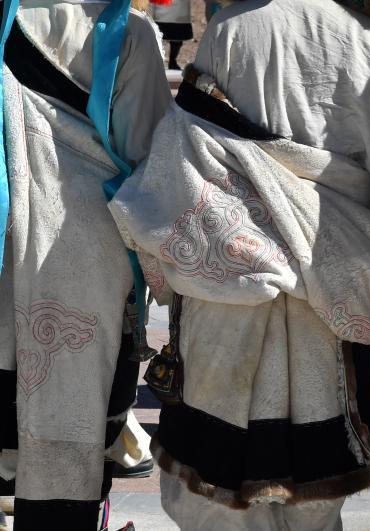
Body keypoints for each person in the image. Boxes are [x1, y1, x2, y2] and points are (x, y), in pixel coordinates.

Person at [107, 0, 370, 528]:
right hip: (332, 282)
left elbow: (183, 154)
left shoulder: (231, 28)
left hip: (232, 277)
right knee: (314, 498)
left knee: (214, 496)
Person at [0, 0, 171, 528]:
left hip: (5, 253)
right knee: (79, 437)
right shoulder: (130, 35)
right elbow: (150, 164)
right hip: (90, 269)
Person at [150, 0, 192, 70]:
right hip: (164, 10)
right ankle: (163, 62)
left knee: (176, 39)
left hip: (178, 12)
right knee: (159, 38)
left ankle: (171, 61)